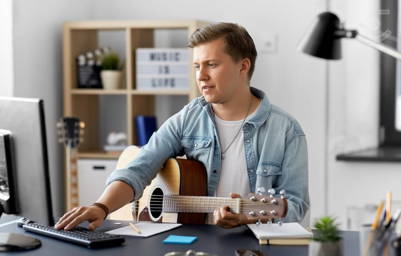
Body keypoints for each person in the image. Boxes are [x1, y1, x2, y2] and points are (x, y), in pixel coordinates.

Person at [55, 22, 309, 231]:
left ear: (243, 66)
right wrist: (101, 207)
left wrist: (247, 216)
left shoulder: (286, 131)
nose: (201, 76)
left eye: (212, 65)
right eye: (197, 66)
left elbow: (296, 205)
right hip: (194, 244)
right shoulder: (189, 117)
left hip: (256, 248)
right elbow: (139, 168)